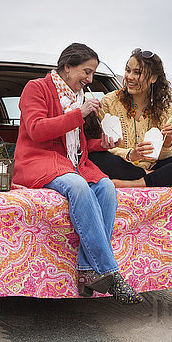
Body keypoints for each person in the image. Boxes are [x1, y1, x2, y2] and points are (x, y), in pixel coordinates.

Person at [13, 43, 143, 303]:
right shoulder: (36, 88)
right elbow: (37, 130)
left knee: (106, 187)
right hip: (37, 161)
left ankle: (86, 270)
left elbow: (75, 143)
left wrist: (102, 145)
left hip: (68, 163)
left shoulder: (76, 98)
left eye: (93, 74)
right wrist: (78, 113)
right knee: (78, 186)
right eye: (86, 71)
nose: (90, 79)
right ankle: (109, 272)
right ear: (67, 66)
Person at [89, 48, 172, 188]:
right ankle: (147, 176)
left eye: (137, 72)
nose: (129, 77)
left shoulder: (164, 110)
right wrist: (131, 154)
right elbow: (100, 146)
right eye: (128, 70)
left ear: (153, 78)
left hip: (151, 168)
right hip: (120, 164)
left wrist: (167, 143)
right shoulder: (110, 101)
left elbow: (163, 158)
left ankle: (139, 182)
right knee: (96, 158)